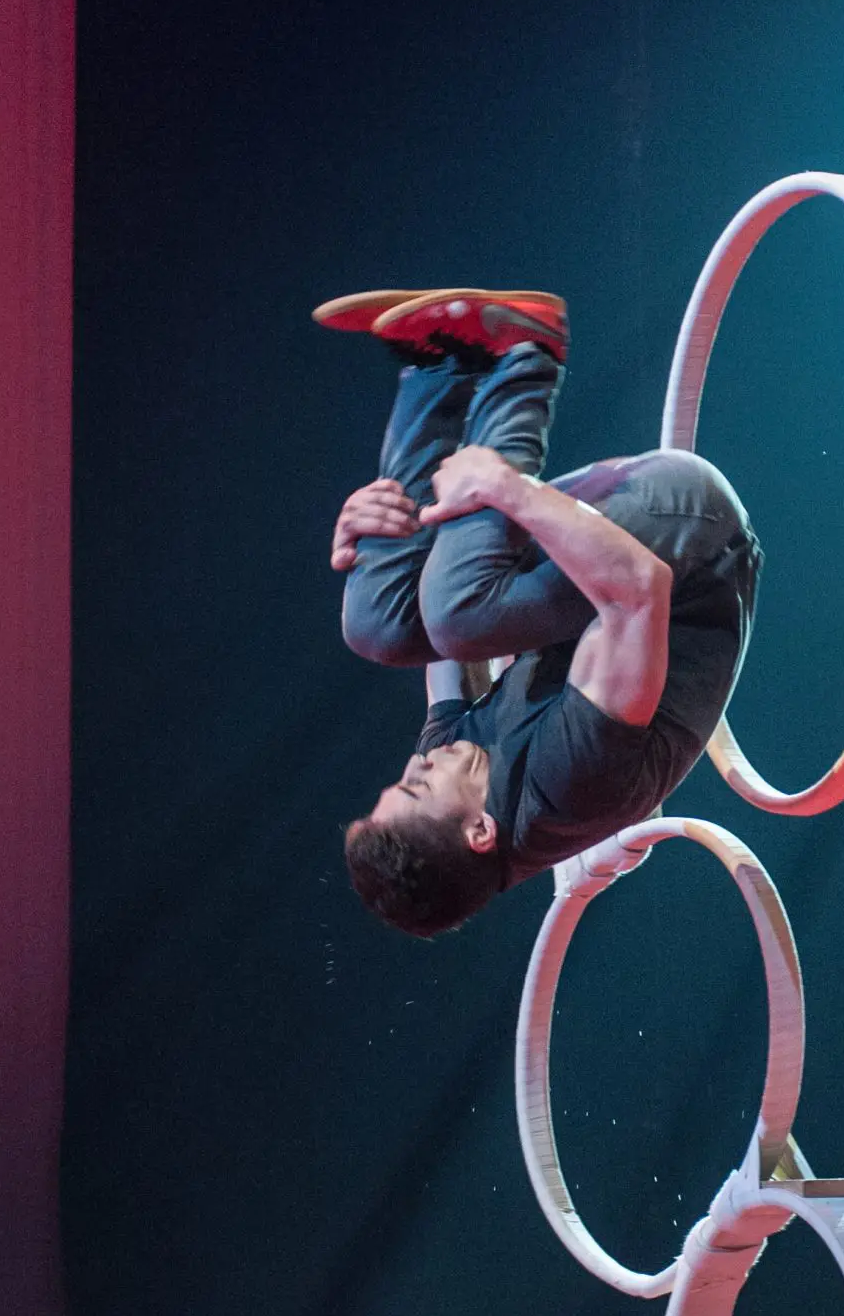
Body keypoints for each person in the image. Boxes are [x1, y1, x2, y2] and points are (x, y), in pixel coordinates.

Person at [324, 285, 761, 936]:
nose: (416, 763)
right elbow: (639, 590)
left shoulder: (453, 763)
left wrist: (374, 534)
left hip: (595, 573)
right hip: (691, 541)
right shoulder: (572, 787)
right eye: (417, 788)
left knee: (377, 628)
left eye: (401, 781)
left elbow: (423, 630)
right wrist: (505, 488)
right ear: (479, 830)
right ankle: (528, 350)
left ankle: (440, 364)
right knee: (458, 616)